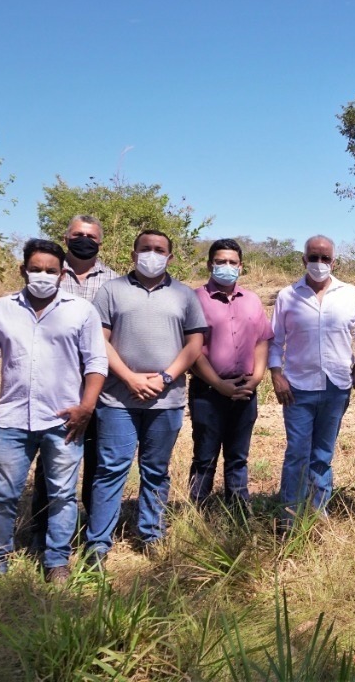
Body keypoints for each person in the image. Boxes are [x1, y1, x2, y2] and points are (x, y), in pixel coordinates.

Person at [0, 239, 107, 585]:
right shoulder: (0, 310)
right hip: (13, 421)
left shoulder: (80, 311)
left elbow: (96, 362)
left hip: (63, 421)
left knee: (63, 495)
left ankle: (57, 560)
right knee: (3, 495)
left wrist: (86, 408)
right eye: (35, 269)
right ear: (23, 270)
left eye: (50, 271)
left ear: (62, 274)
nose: (42, 276)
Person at [83, 230, 206, 568]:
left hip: (166, 400)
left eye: (159, 250)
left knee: (156, 470)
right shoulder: (112, 290)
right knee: (110, 470)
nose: (152, 254)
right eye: (145, 249)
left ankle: (151, 534)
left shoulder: (184, 295)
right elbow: (99, 339)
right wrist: (129, 377)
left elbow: (194, 344)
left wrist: (166, 377)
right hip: (117, 400)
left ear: (170, 257)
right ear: (134, 253)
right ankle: (98, 544)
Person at [29, 214, 119, 550]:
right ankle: (41, 534)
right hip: (55, 391)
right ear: (66, 238)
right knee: (48, 467)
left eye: (91, 236)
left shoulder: (114, 282)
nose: (85, 240)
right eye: (78, 234)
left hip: (102, 390)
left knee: (97, 463)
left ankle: (90, 534)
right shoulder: (47, 277)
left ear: (100, 241)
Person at [270, 235, 355, 526]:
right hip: (297, 387)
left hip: (336, 385)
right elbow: (274, 340)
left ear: (334, 261)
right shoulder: (288, 296)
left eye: (325, 258)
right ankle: (290, 515)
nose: (319, 263)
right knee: (297, 452)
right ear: (304, 260)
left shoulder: (349, 294)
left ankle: (317, 512)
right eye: (314, 257)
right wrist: (276, 375)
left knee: (323, 453)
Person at [189, 238, 273, 515]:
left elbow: (262, 339)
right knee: (205, 456)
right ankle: (196, 512)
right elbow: (192, 349)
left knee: (238, 457)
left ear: (241, 266)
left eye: (232, 262)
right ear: (210, 264)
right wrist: (218, 384)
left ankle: (238, 512)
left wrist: (257, 377)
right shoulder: (195, 299)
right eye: (220, 261)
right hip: (208, 391)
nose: (227, 266)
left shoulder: (252, 300)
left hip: (245, 388)